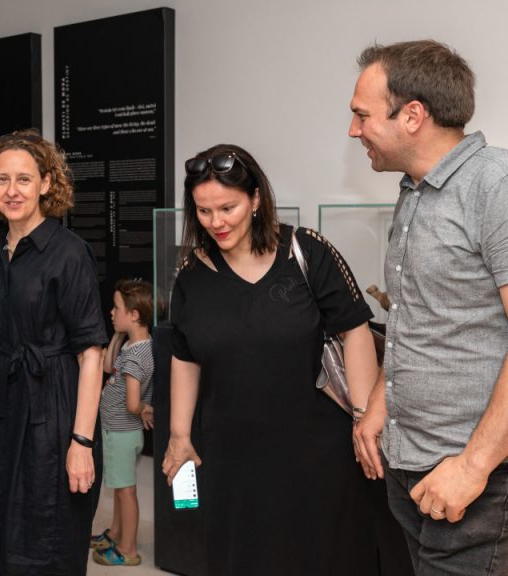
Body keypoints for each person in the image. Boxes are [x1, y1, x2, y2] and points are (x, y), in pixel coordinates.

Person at [161, 144, 385, 575]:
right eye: (204, 211)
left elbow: (355, 330)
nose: (216, 222)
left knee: (325, 557)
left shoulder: (306, 252)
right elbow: (185, 356)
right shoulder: (191, 276)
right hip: (233, 459)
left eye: (227, 208)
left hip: (318, 452)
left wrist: (364, 417)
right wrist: (178, 435)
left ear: (255, 199)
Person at [349, 39, 508, 575]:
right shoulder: (415, 192)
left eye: (362, 115)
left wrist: (474, 467)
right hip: (410, 466)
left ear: (413, 116)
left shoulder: (496, 186)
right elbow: (417, 318)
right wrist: (380, 403)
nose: (353, 131)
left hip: (475, 480)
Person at [0, 128, 107, 575]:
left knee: (45, 528)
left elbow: (91, 352)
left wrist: (81, 441)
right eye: (2, 179)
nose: (12, 190)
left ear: (46, 183)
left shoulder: (69, 253)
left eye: (24, 179)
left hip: (52, 405)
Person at [89, 279, 155, 567]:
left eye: (117, 308)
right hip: (118, 432)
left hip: (122, 432)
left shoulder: (137, 356)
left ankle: (128, 549)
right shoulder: (133, 345)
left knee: (126, 491)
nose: (111, 312)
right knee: (120, 486)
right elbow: (106, 367)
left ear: (135, 314)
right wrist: (118, 332)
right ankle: (116, 534)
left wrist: (144, 409)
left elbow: (131, 403)